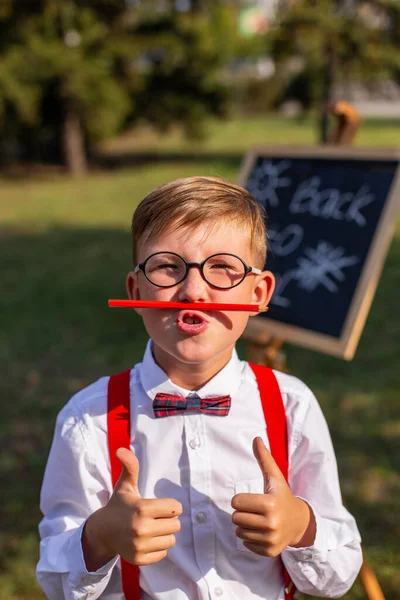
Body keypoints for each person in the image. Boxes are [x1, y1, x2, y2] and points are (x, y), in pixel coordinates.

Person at [37, 176, 362, 599]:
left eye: (223, 267)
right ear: (136, 291)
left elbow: (337, 574)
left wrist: (299, 524)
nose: (193, 290)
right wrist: (99, 535)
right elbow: (58, 582)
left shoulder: (291, 406)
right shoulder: (88, 419)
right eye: (168, 266)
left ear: (259, 292)